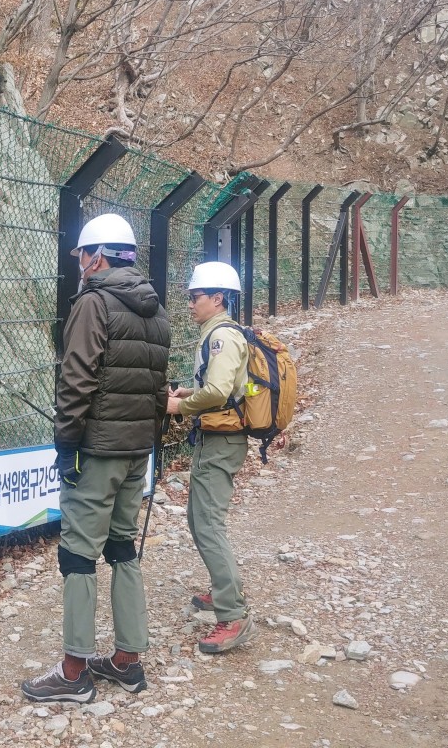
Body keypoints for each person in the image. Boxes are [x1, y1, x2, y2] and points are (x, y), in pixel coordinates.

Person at [21, 213, 170, 703]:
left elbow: (77, 380)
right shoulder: (156, 308)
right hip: (136, 451)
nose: (79, 264)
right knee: (123, 547)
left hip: (97, 451)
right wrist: (150, 444)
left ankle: (73, 671)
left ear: (98, 256)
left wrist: (66, 443)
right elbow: (155, 389)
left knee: (77, 554)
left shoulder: (93, 303)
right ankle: (128, 661)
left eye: (82, 255)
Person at [166, 261, 259, 654]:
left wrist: (178, 408)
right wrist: (189, 392)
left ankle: (232, 615)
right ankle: (225, 589)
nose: (190, 303)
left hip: (221, 440)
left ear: (217, 298)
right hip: (221, 436)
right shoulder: (225, 333)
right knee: (200, 518)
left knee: (206, 522)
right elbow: (228, 386)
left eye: (196, 296)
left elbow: (220, 390)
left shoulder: (221, 336)